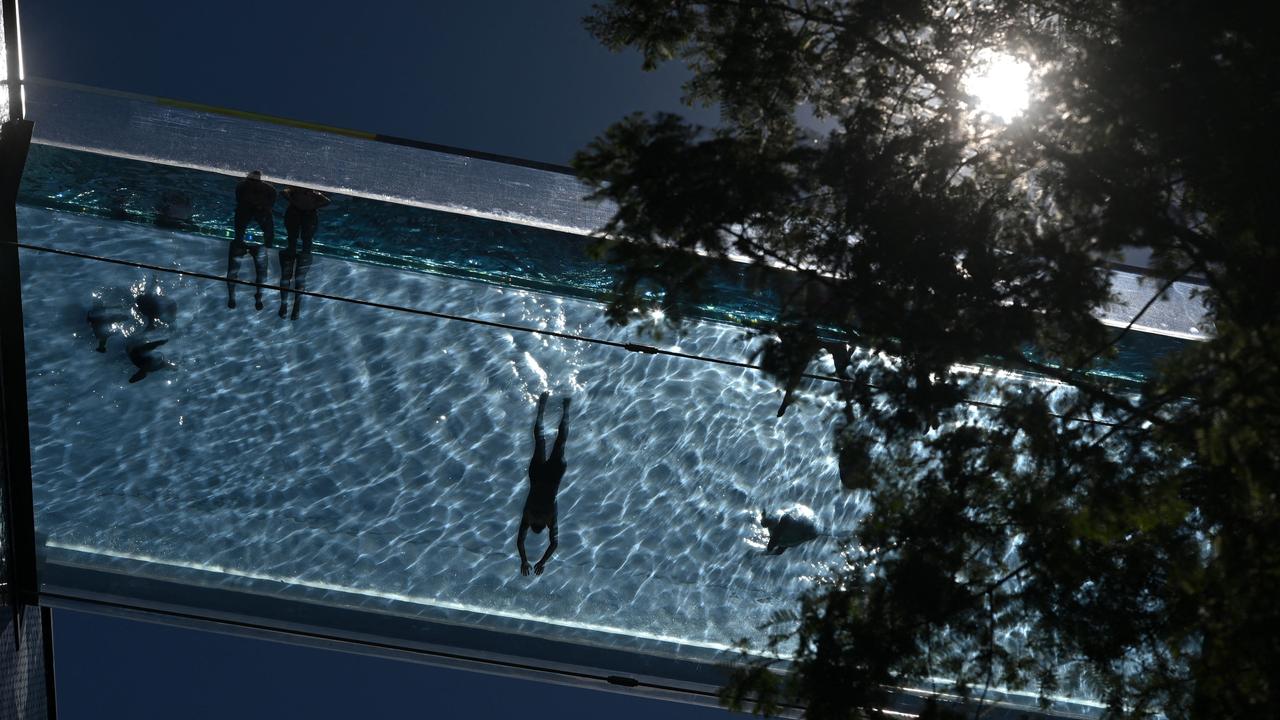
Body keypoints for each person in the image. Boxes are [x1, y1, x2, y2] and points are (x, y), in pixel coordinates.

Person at [516, 391, 571, 576]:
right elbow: (523, 541)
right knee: (545, 440)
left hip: (545, 477)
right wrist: (536, 561)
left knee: (553, 442)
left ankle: (562, 407)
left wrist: (531, 560)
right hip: (544, 477)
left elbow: (552, 543)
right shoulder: (530, 518)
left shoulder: (544, 519)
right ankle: (546, 407)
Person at [277, 186, 330, 320]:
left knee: (291, 275)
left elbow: (326, 201)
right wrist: (305, 204)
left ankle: (292, 305)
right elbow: (283, 192)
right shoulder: (303, 194)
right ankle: (289, 305)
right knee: (294, 275)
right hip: (302, 215)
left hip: (303, 215)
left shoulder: (308, 195)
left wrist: (303, 203)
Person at [226, 170, 275, 310]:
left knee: (256, 272)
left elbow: (269, 222)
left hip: (252, 240)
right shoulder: (245, 191)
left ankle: (256, 295)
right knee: (240, 271)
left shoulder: (263, 193)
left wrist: (268, 242)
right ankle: (236, 295)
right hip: (250, 239)